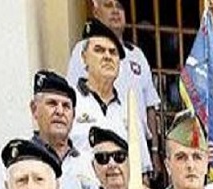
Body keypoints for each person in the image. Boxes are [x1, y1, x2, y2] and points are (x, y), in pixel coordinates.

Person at [66, 0, 162, 179]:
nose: (107, 57)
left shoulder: (136, 56)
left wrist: (155, 151)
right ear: (84, 57)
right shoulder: (72, 107)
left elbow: (142, 176)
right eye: (99, 51)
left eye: (113, 52)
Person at [0, 70, 97, 189]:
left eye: (66, 106)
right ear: (34, 109)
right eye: (52, 104)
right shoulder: (16, 161)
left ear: (73, 115)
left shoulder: (90, 163)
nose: (59, 111)